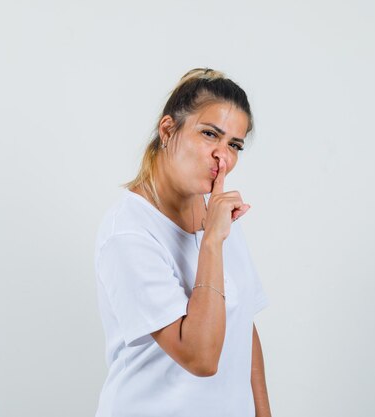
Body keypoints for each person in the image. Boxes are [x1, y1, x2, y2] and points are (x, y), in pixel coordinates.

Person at [93, 68, 272, 417]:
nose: (223, 157)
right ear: (167, 130)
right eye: (209, 134)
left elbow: (241, 327)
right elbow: (200, 357)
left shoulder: (217, 216)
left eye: (234, 145)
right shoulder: (128, 232)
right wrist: (211, 242)